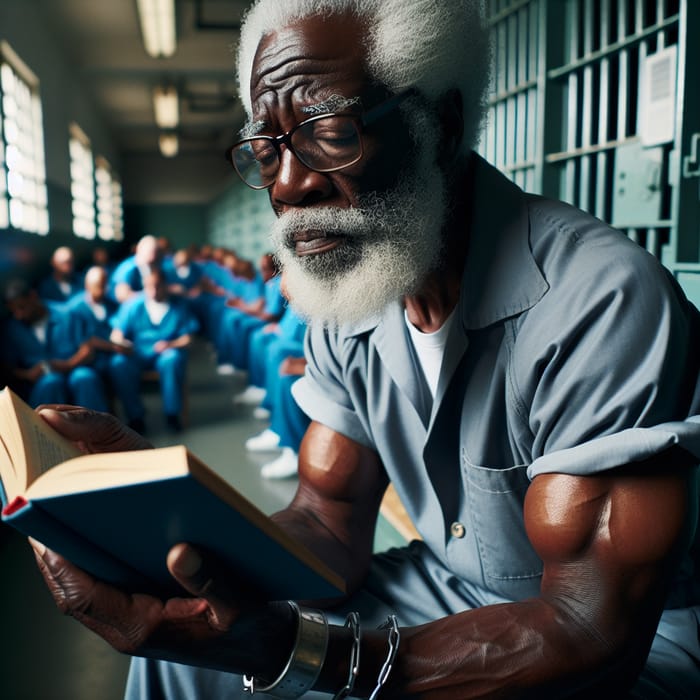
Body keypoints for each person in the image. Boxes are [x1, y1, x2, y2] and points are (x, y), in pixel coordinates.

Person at [30, 1, 700, 698]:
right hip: (441, 587)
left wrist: (305, 652)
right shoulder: (353, 292)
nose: (290, 185)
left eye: (329, 131)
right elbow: (329, 520)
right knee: (181, 656)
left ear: (440, 127)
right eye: (268, 149)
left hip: (630, 642)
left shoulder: (601, 298)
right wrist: (176, 519)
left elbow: (594, 632)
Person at [108, 267, 199, 433]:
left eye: (157, 286)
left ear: (166, 285)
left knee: (172, 359)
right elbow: (116, 335)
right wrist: (122, 345)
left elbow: (188, 338)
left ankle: (172, 414)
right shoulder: (133, 305)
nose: (153, 291)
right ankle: (135, 416)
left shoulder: (178, 305)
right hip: (136, 354)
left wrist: (171, 345)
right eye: (148, 286)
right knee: (118, 363)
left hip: (164, 353)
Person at [2, 278, 109, 411]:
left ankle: (98, 428)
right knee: (51, 381)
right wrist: (28, 374)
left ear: (33, 297)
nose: (19, 315)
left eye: (22, 308)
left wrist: (67, 365)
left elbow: (88, 349)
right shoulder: (13, 329)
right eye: (14, 311)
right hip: (41, 383)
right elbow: (10, 368)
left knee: (84, 377)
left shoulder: (66, 314)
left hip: (74, 368)